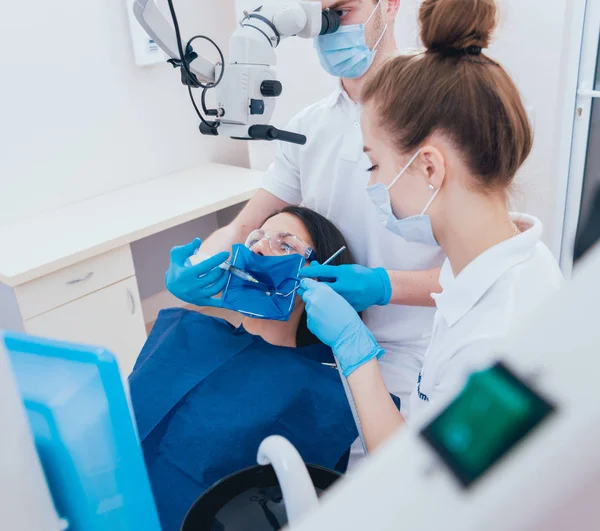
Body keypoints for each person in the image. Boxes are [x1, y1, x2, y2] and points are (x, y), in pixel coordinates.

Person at [166, 0, 444, 443]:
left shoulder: (441, 114)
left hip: (413, 355)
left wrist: (383, 284)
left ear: (388, 5)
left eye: (342, 12)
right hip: (320, 345)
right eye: (319, 19)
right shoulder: (308, 127)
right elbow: (243, 227)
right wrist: (199, 263)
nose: (329, 29)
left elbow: (478, 270)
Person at [298, 0, 564, 452]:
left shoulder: (493, 339)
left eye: (374, 165)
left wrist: (355, 352)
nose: (374, 185)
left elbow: (419, 485)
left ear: (428, 168)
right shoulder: (512, 261)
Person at [129, 207, 383, 531]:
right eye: (256, 239)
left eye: (285, 245)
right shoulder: (185, 331)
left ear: (319, 280)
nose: (260, 247)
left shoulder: (321, 392)